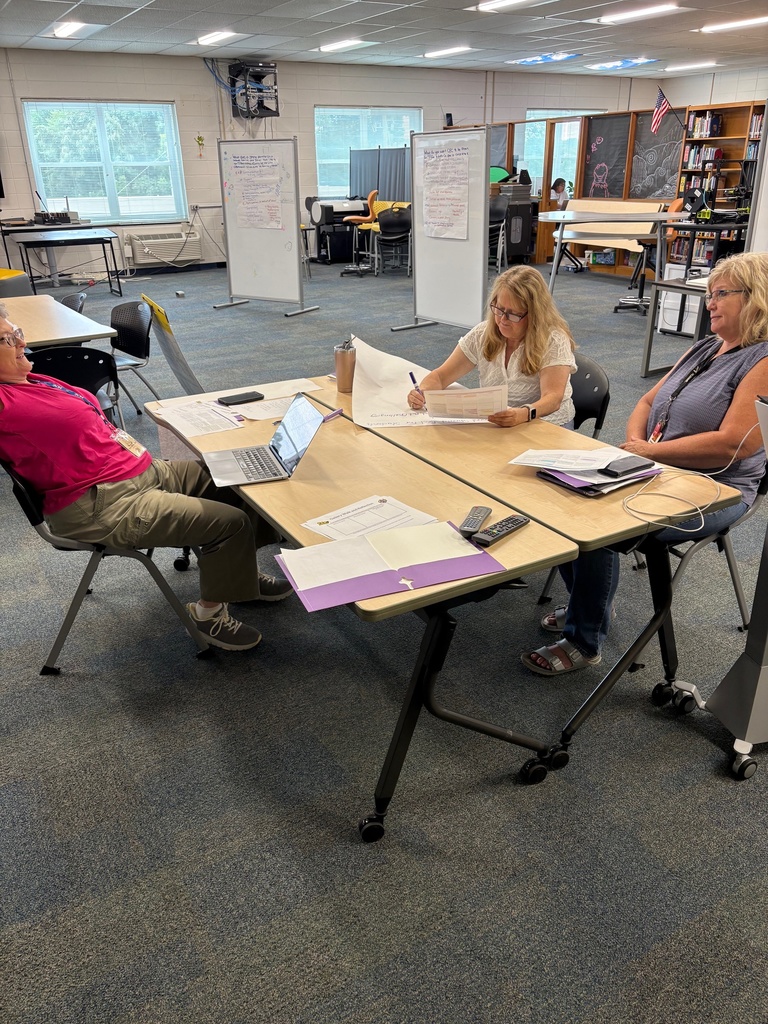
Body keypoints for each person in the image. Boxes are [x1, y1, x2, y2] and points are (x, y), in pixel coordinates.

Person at [522, 250, 768, 676]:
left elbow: (734, 446)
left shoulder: (762, 361)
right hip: (657, 467)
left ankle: (584, 640)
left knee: (601, 524)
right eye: (709, 294)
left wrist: (649, 453)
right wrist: (637, 445)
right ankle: (592, 604)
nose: (709, 303)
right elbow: (648, 401)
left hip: (716, 488)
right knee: (561, 492)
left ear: (756, 297)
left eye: (720, 294)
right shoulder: (708, 347)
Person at [0, 303, 291, 652]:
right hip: (103, 504)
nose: (22, 343)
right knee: (230, 523)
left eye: (18, 333)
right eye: (7, 340)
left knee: (241, 479)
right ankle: (207, 615)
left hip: (145, 471)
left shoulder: (32, 378)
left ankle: (238, 576)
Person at [407, 265, 577, 427]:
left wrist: (522, 414)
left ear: (534, 314)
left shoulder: (554, 340)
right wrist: (422, 393)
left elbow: (553, 398)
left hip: (548, 423)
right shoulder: (482, 333)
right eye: (500, 309)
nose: (502, 320)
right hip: (500, 422)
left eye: (513, 314)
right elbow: (440, 376)